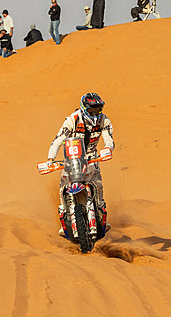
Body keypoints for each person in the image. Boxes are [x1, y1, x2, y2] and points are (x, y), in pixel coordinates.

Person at [46, 92, 114, 237]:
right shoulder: (72, 120)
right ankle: (64, 217)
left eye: (98, 109)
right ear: (84, 108)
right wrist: (50, 159)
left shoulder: (104, 120)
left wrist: (108, 149)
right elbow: (58, 140)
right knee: (63, 186)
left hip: (91, 157)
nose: (95, 113)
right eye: (92, 110)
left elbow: (109, 139)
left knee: (98, 184)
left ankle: (100, 213)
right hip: (72, 158)